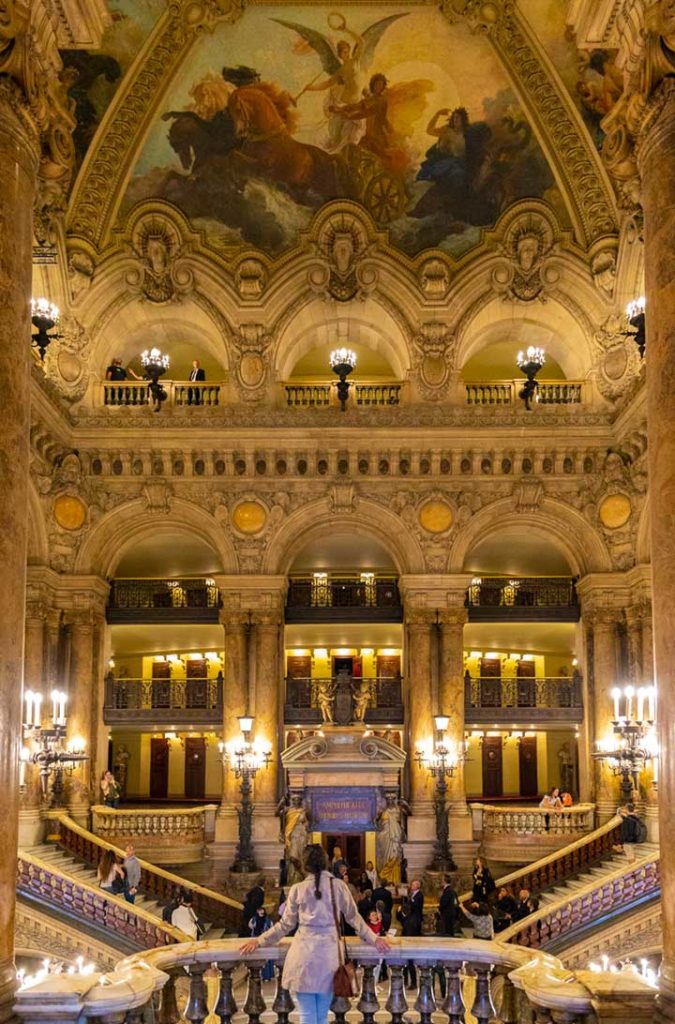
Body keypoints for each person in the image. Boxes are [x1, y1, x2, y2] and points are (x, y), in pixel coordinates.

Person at [240, 844, 389, 1024]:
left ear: (305, 864)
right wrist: (374, 938)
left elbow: (285, 925)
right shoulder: (339, 886)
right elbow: (354, 919)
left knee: (307, 1016)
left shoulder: (297, 889)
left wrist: (259, 940)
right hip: (329, 957)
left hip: (303, 957)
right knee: (322, 1017)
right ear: (325, 862)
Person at [397, 879, 423, 989]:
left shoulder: (410, 919)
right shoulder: (407, 917)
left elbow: (414, 907)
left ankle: (412, 982)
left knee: (409, 962)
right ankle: (407, 980)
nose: (411, 886)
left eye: (413, 885)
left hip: (410, 938)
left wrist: (401, 911)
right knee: (407, 962)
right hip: (408, 938)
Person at [249, 905, 275, 981]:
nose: (261, 911)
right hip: (255, 940)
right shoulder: (253, 920)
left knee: (266, 959)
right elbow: (251, 927)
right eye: (259, 910)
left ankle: (267, 975)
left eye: (262, 910)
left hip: (265, 940)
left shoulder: (268, 921)